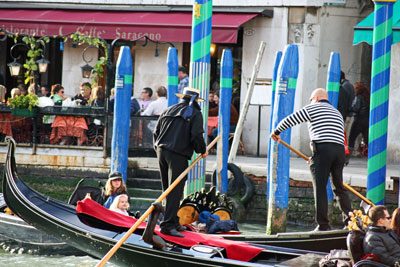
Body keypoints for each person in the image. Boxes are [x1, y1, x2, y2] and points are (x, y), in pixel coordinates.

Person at [270, 88, 352, 231]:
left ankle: (323, 225)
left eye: (310, 99)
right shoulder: (336, 112)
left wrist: (276, 131)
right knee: (339, 188)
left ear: (316, 98)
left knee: (320, 188)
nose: (310, 102)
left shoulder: (313, 107)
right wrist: (315, 160)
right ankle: (350, 222)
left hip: (323, 149)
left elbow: (291, 119)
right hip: (339, 152)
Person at [153, 87, 207, 237]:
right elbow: (196, 136)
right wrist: (202, 150)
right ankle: (167, 225)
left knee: (168, 189)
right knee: (175, 190)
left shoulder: (169, 109)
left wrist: (158, 149)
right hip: (177, 154)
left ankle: (173, 220)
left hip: (161, 152)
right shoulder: (195, 114)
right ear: (195, 101)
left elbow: (155, 132)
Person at [348, 82, 370, 158]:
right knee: (367, 139)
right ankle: (372, 154)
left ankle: (348, 156)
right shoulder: (368, 97)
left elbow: (356, 108)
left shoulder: (359, 97)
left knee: (351, 138)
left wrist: (349, 108)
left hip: (358, 121)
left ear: (358, 89)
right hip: (367, 121)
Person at [337, 71, 355, 136]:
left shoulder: (344, 86)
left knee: (344, 135)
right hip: (348, 114)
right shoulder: (348, 84)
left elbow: (343, 102)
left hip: (346, 114)